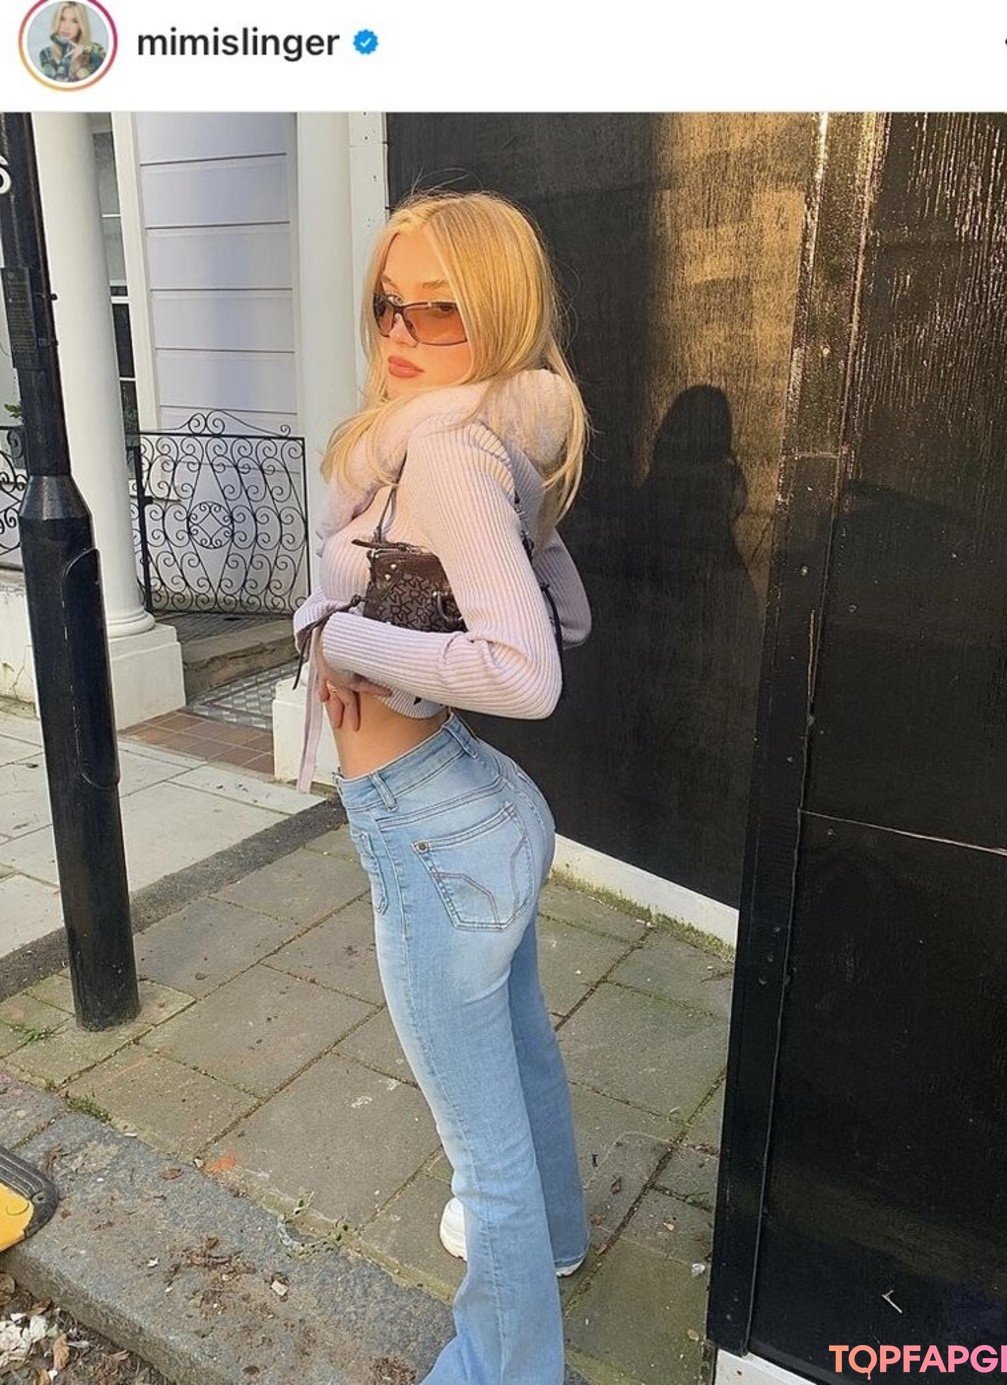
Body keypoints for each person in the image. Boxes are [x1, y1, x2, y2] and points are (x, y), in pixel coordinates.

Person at [291, 189, 593, 1384]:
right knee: (520, 1055)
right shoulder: (460, 440)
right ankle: (559, 1242)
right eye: (387, 304)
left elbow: (527, 669)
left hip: (430, 835)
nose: (403, 332)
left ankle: (502, 1366)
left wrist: (341, 638)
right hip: (475, 807)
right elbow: (536, 602)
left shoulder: (450, 452)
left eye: (442, 309)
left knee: (483, 1153)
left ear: (500, 317)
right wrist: (372, 638)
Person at [37, 3, 106, 83]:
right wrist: (66, 54)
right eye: (62, 19)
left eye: (74, 21)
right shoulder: (46, 54)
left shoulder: (96, 50)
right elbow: (57, 85)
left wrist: (84, 50)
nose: (66, 27)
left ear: (81, 25)